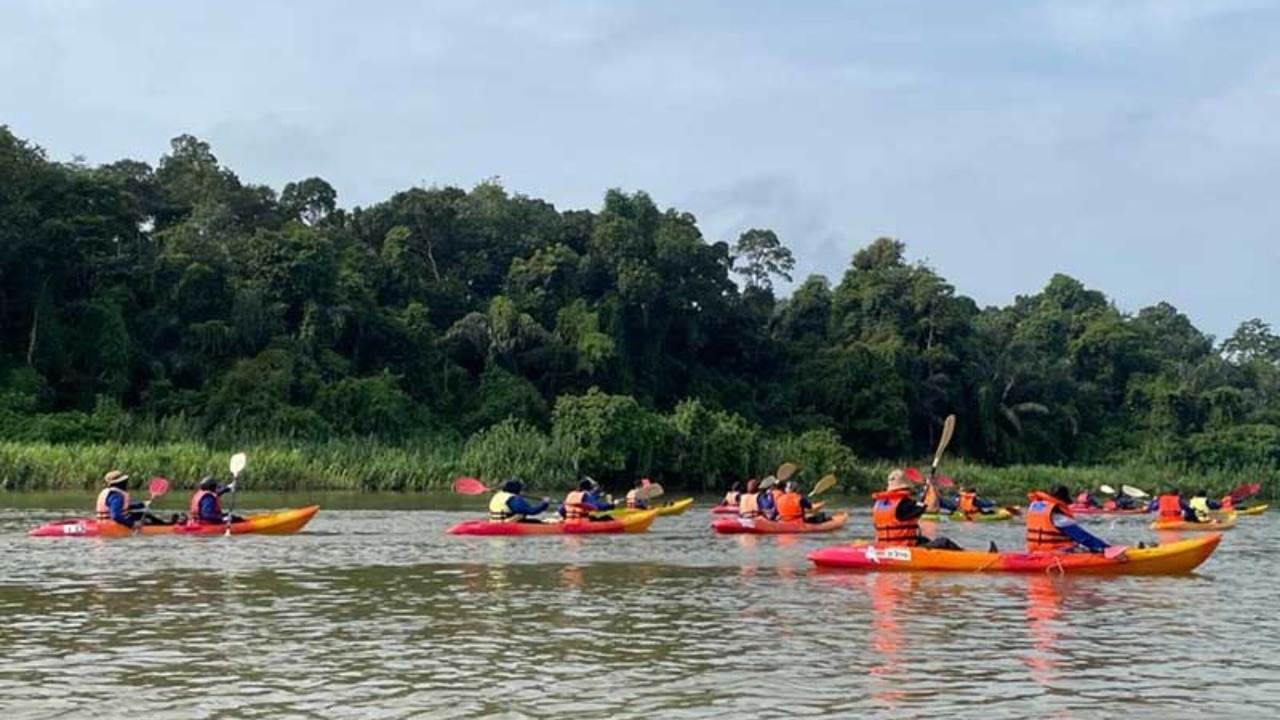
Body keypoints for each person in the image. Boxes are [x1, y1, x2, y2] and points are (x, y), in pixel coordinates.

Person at [873, 470, 964, 551]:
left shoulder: (878, 504)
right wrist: (930, 487)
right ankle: (966, 557)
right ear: (905, 487)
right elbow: (930, 507)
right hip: (903, 548)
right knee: (944, 542)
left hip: (884, 546)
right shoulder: (905, 503)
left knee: (924, 540)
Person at [1025, 485, 1110, 553]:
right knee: (1085, 547)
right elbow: (1082, 537)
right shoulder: (1057, 515)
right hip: (1056, 552)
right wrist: (1104, 548)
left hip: (1034, 550)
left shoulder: (1034, 506)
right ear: (1062, 499)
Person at [95, 470, 169, 527]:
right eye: (125, 481)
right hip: (112, 525)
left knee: (142, 514)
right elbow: (116, 516)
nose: (127, 483)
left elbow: (122, 507)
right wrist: (132, 524)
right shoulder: (116, 496)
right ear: (119, 483)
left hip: (103, 523)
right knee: (146, 517)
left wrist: (141, 504)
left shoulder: (109, 492)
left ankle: (166, 525)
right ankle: (167, 527)